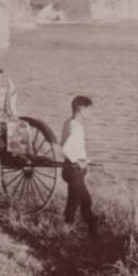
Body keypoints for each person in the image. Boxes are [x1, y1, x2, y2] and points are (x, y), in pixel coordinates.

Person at [61, 95, 98, 239]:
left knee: (85, 202)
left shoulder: (68, 122)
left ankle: (93, 232)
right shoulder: (76, 127)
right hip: (74, 170)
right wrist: (78, 161)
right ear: (81, 109)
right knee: (74, 202)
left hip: (71, 170)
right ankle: (66, 232)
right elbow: (65, 149)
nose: (90, 113)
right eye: (89, 110)